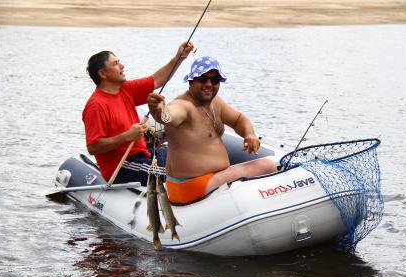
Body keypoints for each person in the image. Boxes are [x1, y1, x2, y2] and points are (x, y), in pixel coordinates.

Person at [148, 56, 278, 204]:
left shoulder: (216, 103)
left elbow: (238, 119)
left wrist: (249, 134)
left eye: (215, 80)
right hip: (190, 186)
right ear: (191, 81)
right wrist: (157, 109)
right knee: (268, 166)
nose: (209, 84)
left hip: (211, 180)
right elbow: (168, 117)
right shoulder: (183, 105)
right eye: (203, 79)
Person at [83, 42, 194, 186]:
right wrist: (127, 136)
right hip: (123, 166)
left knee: (191, 153)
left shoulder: (124, 89)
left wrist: (180, 57)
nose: (122, 66)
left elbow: (157, 80)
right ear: (102, 73)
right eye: (116, 64)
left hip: (144, 154)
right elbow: (93, 147)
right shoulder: (95, 105)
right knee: (178, 171)